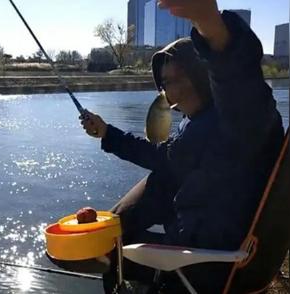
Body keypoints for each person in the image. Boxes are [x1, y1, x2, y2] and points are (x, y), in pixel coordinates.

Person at [79, 0, 284, 293]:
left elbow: (238, 78)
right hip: (202, 236)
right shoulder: (200, 122)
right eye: (165, 83)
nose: (170, 92)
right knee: (120, 226)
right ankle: (107, 236)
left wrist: (210, 24)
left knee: (110, 255)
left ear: (203, 74)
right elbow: (167, 158)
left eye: (179, 78)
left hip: (208, 261)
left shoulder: (242, 120)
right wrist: (108, 134)